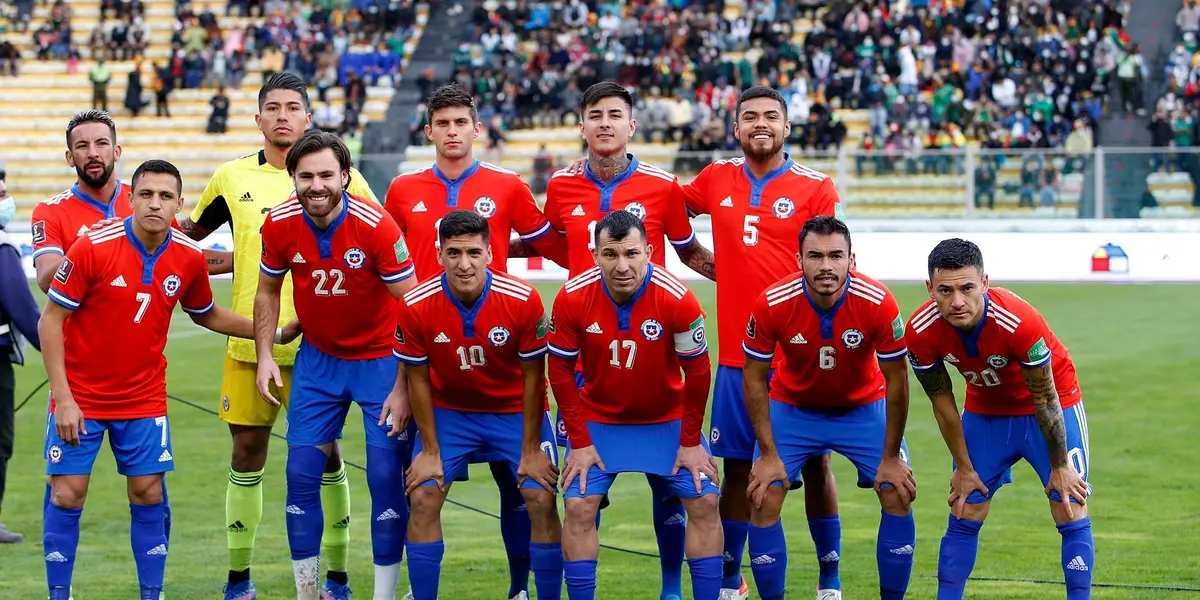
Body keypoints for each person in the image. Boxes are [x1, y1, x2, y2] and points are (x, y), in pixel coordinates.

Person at [39, 159, 295, 600]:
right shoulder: (91, 247)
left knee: (148, 491)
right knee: (67, 494)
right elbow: (50, 321)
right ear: (131, 198)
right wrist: (63, 398)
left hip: (142, 398)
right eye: (145, 194)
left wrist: (266, 331)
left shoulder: (188, 255)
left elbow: (207, 313)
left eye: (164, 196)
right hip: (80, 396)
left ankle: (151, 594)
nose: (154, 204)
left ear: (179, 204)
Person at [179, 72, 379, 600]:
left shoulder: (343, 179)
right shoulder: (229, 177)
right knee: (246, 454)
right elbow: (190, 242)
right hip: (252, 344)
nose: (283, 115)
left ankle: (335, 578)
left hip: (322, 347)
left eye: (293, 106)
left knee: (326, 459)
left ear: (308, 118)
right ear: (259, 117)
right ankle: (238, 579)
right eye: (273, 107)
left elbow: (376, 250)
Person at [384, 83, 568, 600]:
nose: (451, 131)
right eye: (441, 123)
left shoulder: (508, 186)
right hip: (436, 363)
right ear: (429, 131)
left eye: (460, 122)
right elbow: (383, 258)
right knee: (419, 490)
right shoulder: (402, 190)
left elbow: (549, 242)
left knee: (528, 494)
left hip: (504, 359)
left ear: (476, 128)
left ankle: (522, 590)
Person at [536, 81, 717, 600]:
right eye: (596, 114)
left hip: (654, 354)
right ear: (583, 125)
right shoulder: (560, 186)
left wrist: (746, 282)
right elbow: (553, 243)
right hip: (589, 356)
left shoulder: (663, 186)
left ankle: (670, 588)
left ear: (631, 125)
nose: (606, 123)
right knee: (576, 499)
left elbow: (690, 253)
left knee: (676, 494)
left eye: (616, 114)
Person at [678, 86, 847, 600]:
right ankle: (732, 580)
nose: (760, 124)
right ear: (735, 127)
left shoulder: (815, 187)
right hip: (735, 356)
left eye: (771, 116)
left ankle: (830, 578)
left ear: (787, 127)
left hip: (797, 356)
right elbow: (669, 212)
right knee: (734, 468)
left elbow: (832, 264)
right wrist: (708, 264)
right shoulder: (716, 177)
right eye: (749, 116)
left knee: (816, 464)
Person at [254, 131, 417, 600]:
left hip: (380, 362)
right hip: (319, 362)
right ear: (293, 179)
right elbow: (267, 291)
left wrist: (404, 384)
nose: (316, 185)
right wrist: (266, 355)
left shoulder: (377, 225)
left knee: (387, 477)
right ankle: (308, 593)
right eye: (306, 176)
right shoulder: (279, 224)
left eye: (327, 174)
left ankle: (384, 595)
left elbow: (412, 306)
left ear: (345, 177)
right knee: (300, 474)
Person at [547, 210, 723, 600]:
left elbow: (697, 372)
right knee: (577, 507)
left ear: (649, 251)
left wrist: (691, 442)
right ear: (595, 254)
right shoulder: (573, 296)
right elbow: (558, 370)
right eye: (610, 254)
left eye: (631, 253)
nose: (622, 265)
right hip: (599, 420)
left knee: (706, 499)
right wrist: (578, 441)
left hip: (666, 420)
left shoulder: (677, 298)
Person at [905, 238, 1093, 600]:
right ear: (930, 288)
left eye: (966, 288)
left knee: (1068, 503)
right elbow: (942, 403)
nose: (957, 301)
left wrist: (1059, 466)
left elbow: (1045, 397)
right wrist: (962, 466)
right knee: (965, 506)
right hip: (986, 411)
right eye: (945, 290)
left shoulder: (1018, 321)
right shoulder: (920, 331)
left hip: (1053, 404)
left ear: (985, 282)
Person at [741, 216, 916, 600]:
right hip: (794, 407)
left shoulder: (878, 301)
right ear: (798, 260)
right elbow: (754, 377)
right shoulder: (772, 302)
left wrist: (890, 456)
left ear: (852, 259)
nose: (826, 266)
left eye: (836, 255)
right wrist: (768, 454)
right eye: (815, 256)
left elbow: (898, 381)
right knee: (763, 492)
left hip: (861, 408)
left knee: (897, 489)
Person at [396, 210, 563, 600]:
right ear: (439, 254)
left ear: (490, 252)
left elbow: (534, 378)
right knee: (423, 494)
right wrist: (431, 451)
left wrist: (529, 451)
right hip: (451, 413)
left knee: (540, 495)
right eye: (453, 253)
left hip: (513, 410)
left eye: (474, 252)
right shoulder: (416, 303)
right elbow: (416, 378)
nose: (464, 263)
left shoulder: (522, 300)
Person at [0, 180, 41, 544]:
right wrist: (61, 348)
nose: (6, 201)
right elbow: (25, 312)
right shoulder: (2, 250)